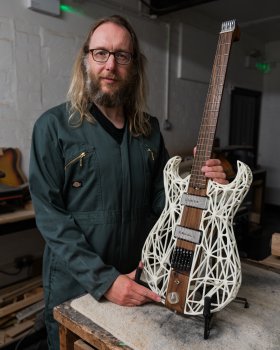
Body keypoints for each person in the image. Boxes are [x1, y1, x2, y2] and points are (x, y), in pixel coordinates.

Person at [29, 15, 228, 349]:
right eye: (101, 53)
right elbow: (51, 218)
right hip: (76, 286)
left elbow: (166, 204)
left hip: (138, 279)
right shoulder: (53, 128)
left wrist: (204, 187)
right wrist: (105, 281)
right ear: (85, 60)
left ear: (134, 66)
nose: (110, 65)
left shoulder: (148, 131)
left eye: (122, 55)